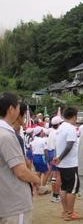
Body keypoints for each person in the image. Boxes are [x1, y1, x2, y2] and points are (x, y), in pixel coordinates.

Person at [0, 92, 40, 223]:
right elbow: (20, 171)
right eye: (18, 107)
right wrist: (36, 179)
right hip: (14, 203)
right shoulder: (6, 135)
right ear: (11, 109)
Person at [53, 107, 83, 221]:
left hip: (63, 164)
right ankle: (70, 213)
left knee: (64, 187)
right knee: (72, 189)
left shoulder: (61, 127)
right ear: (74, 116)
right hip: (70, 163)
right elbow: (69, 146)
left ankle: (65, 211)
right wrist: (60, 158)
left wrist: (59, 158)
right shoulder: (70, 128)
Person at [48, 116, 63, 202]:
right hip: (55, 153)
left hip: (50, 153)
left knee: (54, 175)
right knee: (58, 176)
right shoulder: (58, 132)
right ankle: (56, 195)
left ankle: (54, 195)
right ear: (58, 124)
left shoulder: (51, 132)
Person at [31, 126, 50, 195]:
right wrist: (47, 160)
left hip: (35, 157)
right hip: (41, 157)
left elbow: (32, 150)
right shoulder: (43, 140)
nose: (43, 133)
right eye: (42, 132)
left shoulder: (33, 140)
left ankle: (35, 189)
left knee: (38, 173)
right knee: (47, 172)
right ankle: (42, 188)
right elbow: (45, 151)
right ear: (40, 132)